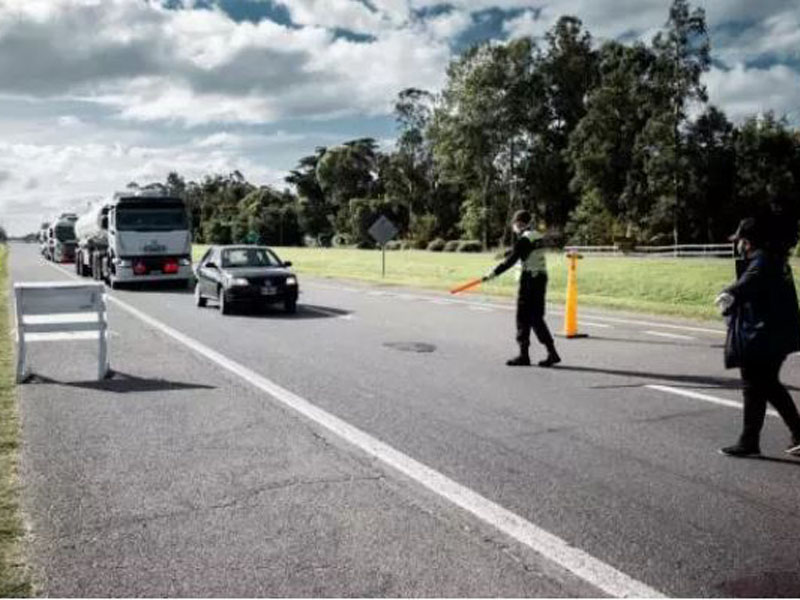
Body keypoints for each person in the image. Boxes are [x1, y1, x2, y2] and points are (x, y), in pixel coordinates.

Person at [716, 217, 800, 457]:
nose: (739, 245)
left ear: (749, 241)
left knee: (758, 385)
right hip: (776, 334)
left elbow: (746, 285)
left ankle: (750, 441)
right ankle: (753, 440)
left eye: (741, 240)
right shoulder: (775, 260)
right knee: (765, 385)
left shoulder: (761, 262)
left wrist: (727, 295)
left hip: (763, 335)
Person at [483, 210, 560, 367]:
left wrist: (492, 274)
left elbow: (511, 261)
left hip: (529, 281)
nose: (513, 227)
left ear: (518, 223)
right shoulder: (536, 235)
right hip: (541, 278)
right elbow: (520, 252)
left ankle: (523, 355)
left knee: (523, 318)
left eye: (514, 224)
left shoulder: (524, 240)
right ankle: (552, 352)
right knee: (536, 317)